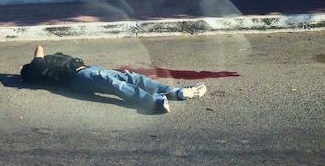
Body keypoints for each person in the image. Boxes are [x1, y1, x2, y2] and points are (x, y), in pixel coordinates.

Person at [20, 45, 207, 114]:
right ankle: (153, 102)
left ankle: (174, 92)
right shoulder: (38, 68)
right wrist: (25, 67)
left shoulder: (45, 67)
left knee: (131, 77)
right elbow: (39, 47)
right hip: (79, 78)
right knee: (115, 85)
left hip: (90, 70)